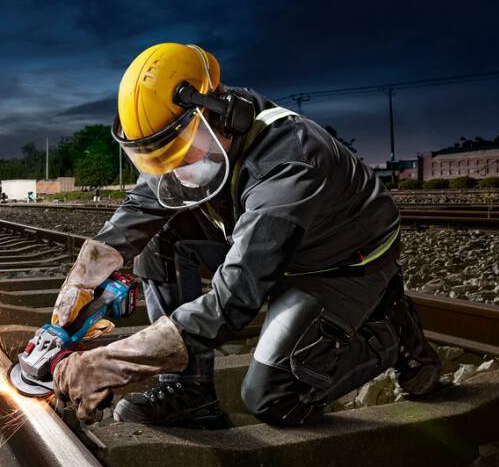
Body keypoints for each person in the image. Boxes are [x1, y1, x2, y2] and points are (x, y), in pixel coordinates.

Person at [51, 43, 441, 428]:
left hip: (340, 262)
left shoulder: (288, 162)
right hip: (270, 240)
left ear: (220, 115)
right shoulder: (193, 139)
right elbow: (135, 215)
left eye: (180, 154)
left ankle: (392, 331)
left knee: (273, 400)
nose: (175, 171)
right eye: (159, 160)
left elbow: (234, 300)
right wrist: (73, 297)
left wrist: (111, 363)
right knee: (160, 235)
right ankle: (189, 393)